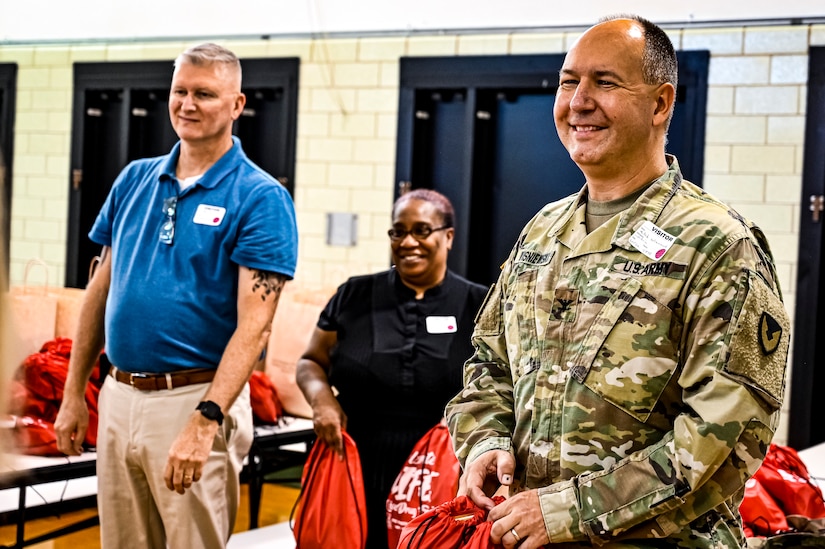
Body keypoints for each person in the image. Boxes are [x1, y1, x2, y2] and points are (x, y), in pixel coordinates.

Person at [446, 14, 790, 549]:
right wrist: (484, 442)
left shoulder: (716, 244)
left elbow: (723, 439)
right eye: (568, 82)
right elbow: (489, 365)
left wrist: (567, 511)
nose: (579, 101)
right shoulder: (543, 232)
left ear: (660, 103)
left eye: (604, 82)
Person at [53, 43, 298, 549]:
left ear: (236, 104)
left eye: (205, 94)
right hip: (119, 396)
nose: (187, 104)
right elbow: (99, 291)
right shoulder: (134, 180)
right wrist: (75, 393)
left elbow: (254, 327)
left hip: (193, 398)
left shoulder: (260, 197)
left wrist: (206, 419)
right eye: (180, 91)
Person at [296, 189, 487, 549]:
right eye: (398, 231)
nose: (407, 241)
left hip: (441, 468)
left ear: (447, 235)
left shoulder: (478, 303)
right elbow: (310, 361)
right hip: (354, 457)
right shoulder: (353, 294)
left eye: (421, 230)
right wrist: (321, 400)